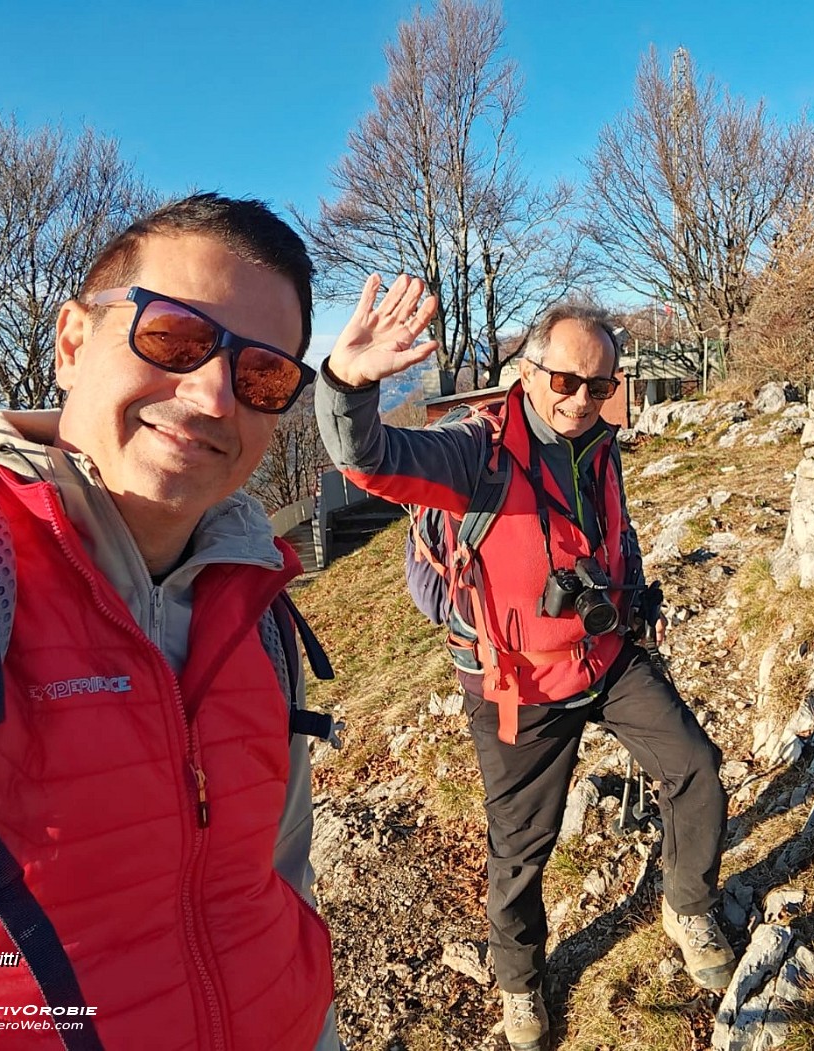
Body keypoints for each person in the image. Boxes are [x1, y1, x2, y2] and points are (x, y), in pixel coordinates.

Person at [0, 194, 341, 1050]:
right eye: (176, 340)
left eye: (264, 375)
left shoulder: (258, 614)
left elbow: (278, 883)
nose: (214, 393)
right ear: (73, 341)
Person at [314, 276, 735, 1051]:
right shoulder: (476, 452)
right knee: (520, 849)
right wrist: (346, 384)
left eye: (599, 384)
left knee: (697, 768)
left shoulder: (600, 447)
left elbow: (618, 533)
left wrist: (636, 597)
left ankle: (687, 901)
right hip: (518, 685)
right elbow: (367, 455)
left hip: (605, 656)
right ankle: (519, 982)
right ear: (530, 373)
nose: (580, 397)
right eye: (566, 380)